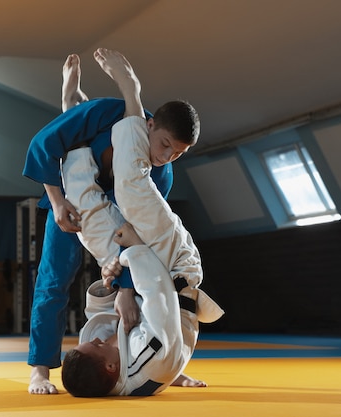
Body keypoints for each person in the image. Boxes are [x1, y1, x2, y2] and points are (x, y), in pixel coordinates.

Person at [23, 54, 197, 394]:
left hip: (116, 222)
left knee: (152, 288)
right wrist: (57, 204)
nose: (165, 157)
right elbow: (44, 145)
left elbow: (142, 241)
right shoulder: (106, 113)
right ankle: (40, 369)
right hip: (72, 198)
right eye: (164, 145)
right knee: (53, 281)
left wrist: (127, 289)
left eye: (177, 154)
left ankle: (163, 363)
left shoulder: (161, 175)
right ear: (149, 125)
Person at [60, 48, 224, 396]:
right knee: (132, 189)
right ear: (109, 364)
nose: (100, 340)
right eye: (99, 346)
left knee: (86, 218)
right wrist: (132, 249)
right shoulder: (152, 360)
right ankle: (131, 92)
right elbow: (159, 295)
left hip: (140, 265)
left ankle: (71, 114)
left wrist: (111, 284)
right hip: (174, 265)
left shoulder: (116, 373)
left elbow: (109, 319)